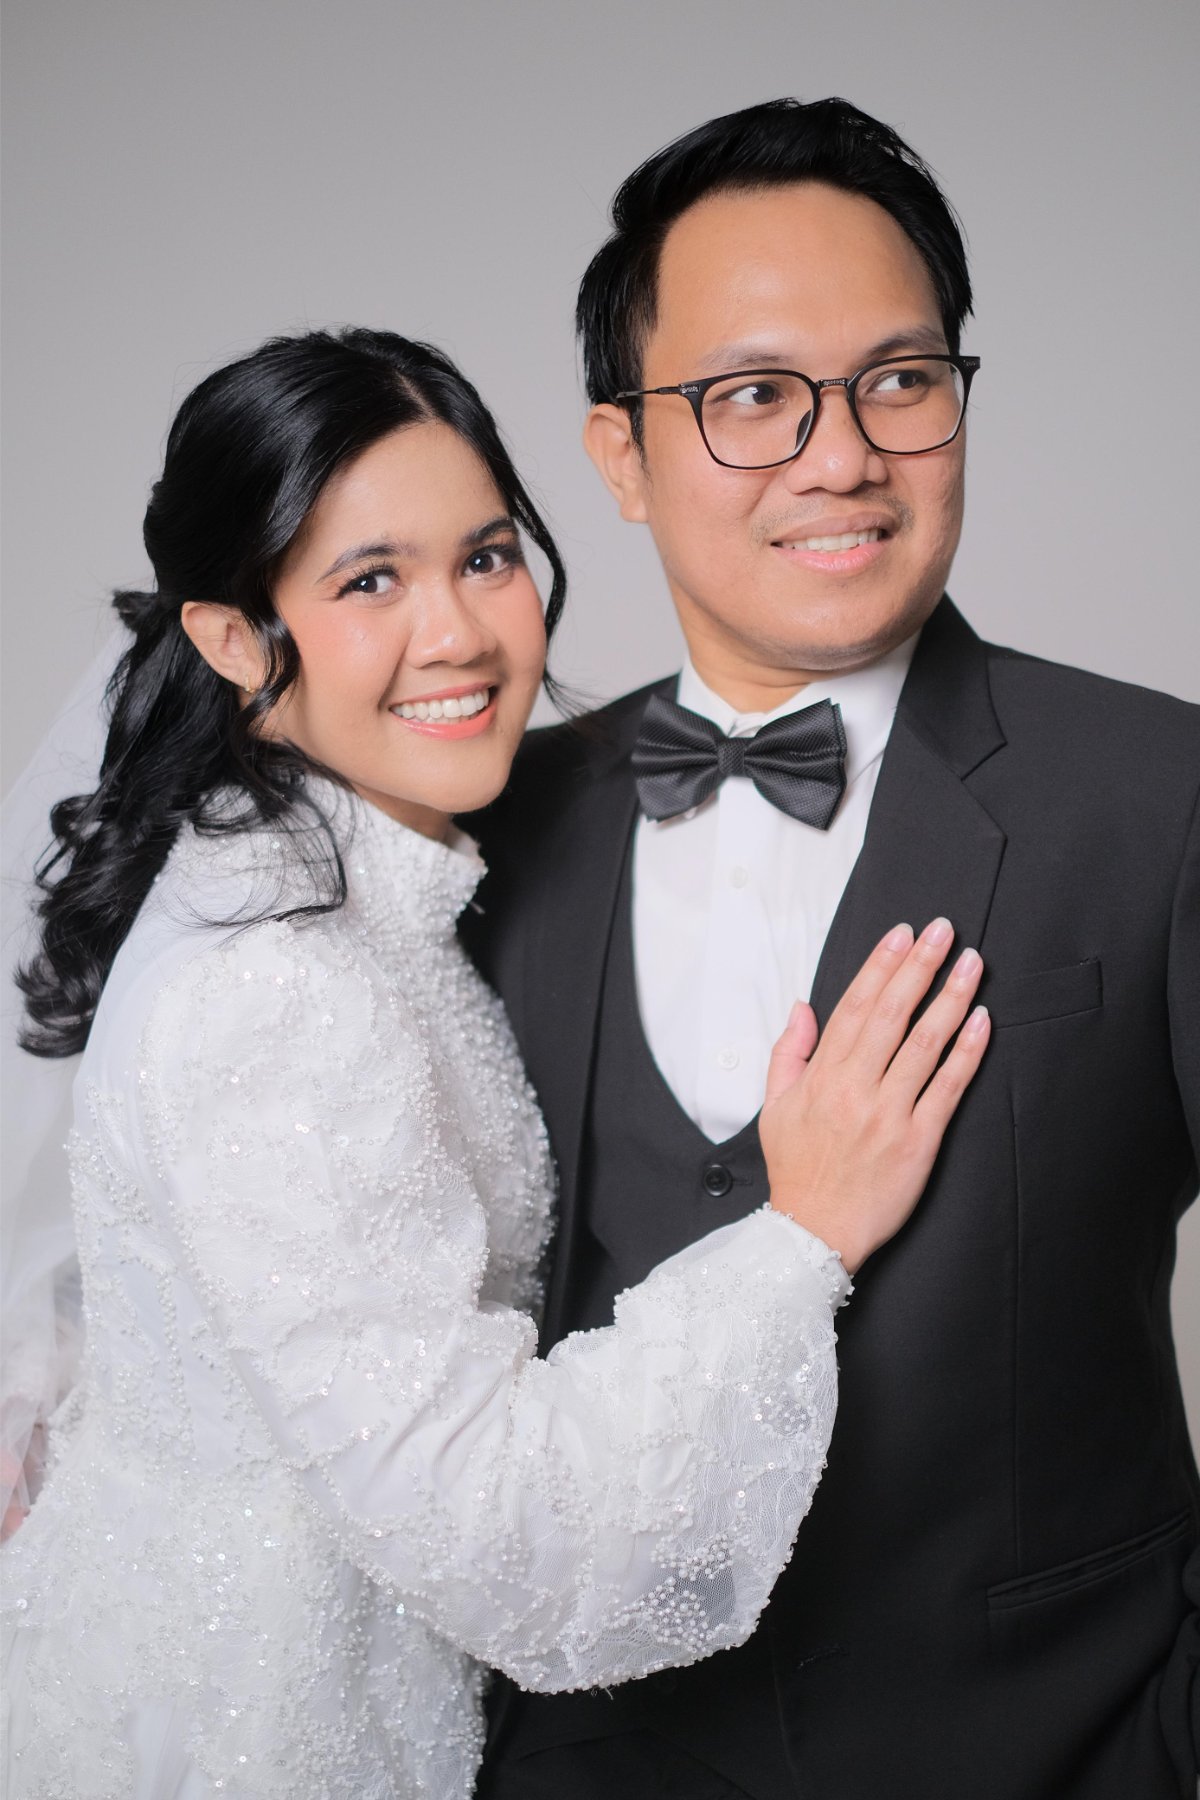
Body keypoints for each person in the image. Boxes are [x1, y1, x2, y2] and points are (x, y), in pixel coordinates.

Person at [0, 326, 990, 1799]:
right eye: (369, 581)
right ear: (231, 637)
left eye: (485, 557)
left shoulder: (308, 884)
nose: (459, 633)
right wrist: (804, 1235)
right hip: (261, 1724)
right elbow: (497, 1529)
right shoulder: (280, 989)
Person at [469, 98, 1200, 1799]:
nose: (841, 456)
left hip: (1073, 1752)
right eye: (752, 397)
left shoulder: (1159, 795)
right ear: (621, 458)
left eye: (901, 380)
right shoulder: (492, 828)